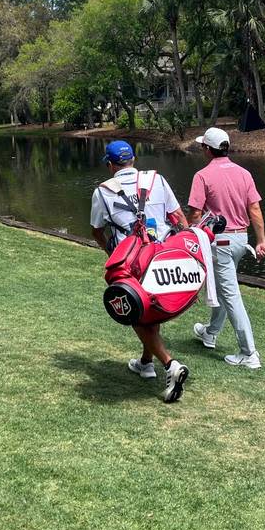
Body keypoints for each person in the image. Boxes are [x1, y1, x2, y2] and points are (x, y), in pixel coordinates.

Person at [90, 140, 192, 403]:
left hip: (132, 261)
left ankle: (170, 365)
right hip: (162, 254)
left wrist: (112, 254)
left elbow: (97, 230)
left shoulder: (102, 191)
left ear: (111, 165)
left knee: (136, 312)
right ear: (133, 160)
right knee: (150, 309)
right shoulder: (156, 179)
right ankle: (146, 363)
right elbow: (179, 217)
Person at [187, 127, 265, 369]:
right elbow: (254, 209)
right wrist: (261, 240)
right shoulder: (244, 173)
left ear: (207, 149)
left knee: (231, 294)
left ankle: (248, 353)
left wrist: (192, 237)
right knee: (224, 288)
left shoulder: (202, 175)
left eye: (203, 146)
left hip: (219, 242)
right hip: (241, 241)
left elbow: (195, 214)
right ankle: (210, 333)